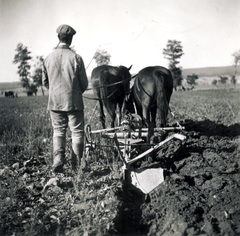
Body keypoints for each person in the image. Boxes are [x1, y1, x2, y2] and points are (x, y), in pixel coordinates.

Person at [42, 24, 88, 173]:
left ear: (58, 38)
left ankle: (58, 160)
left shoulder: (47, 58)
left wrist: (55, 91)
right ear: (71, 39)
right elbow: (84, 83)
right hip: (73, 102)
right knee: (77, 132)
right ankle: (76, 164)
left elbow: (45, 82)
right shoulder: (76, 58)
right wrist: (74, 92)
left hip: (55, 102)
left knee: (58, 131)